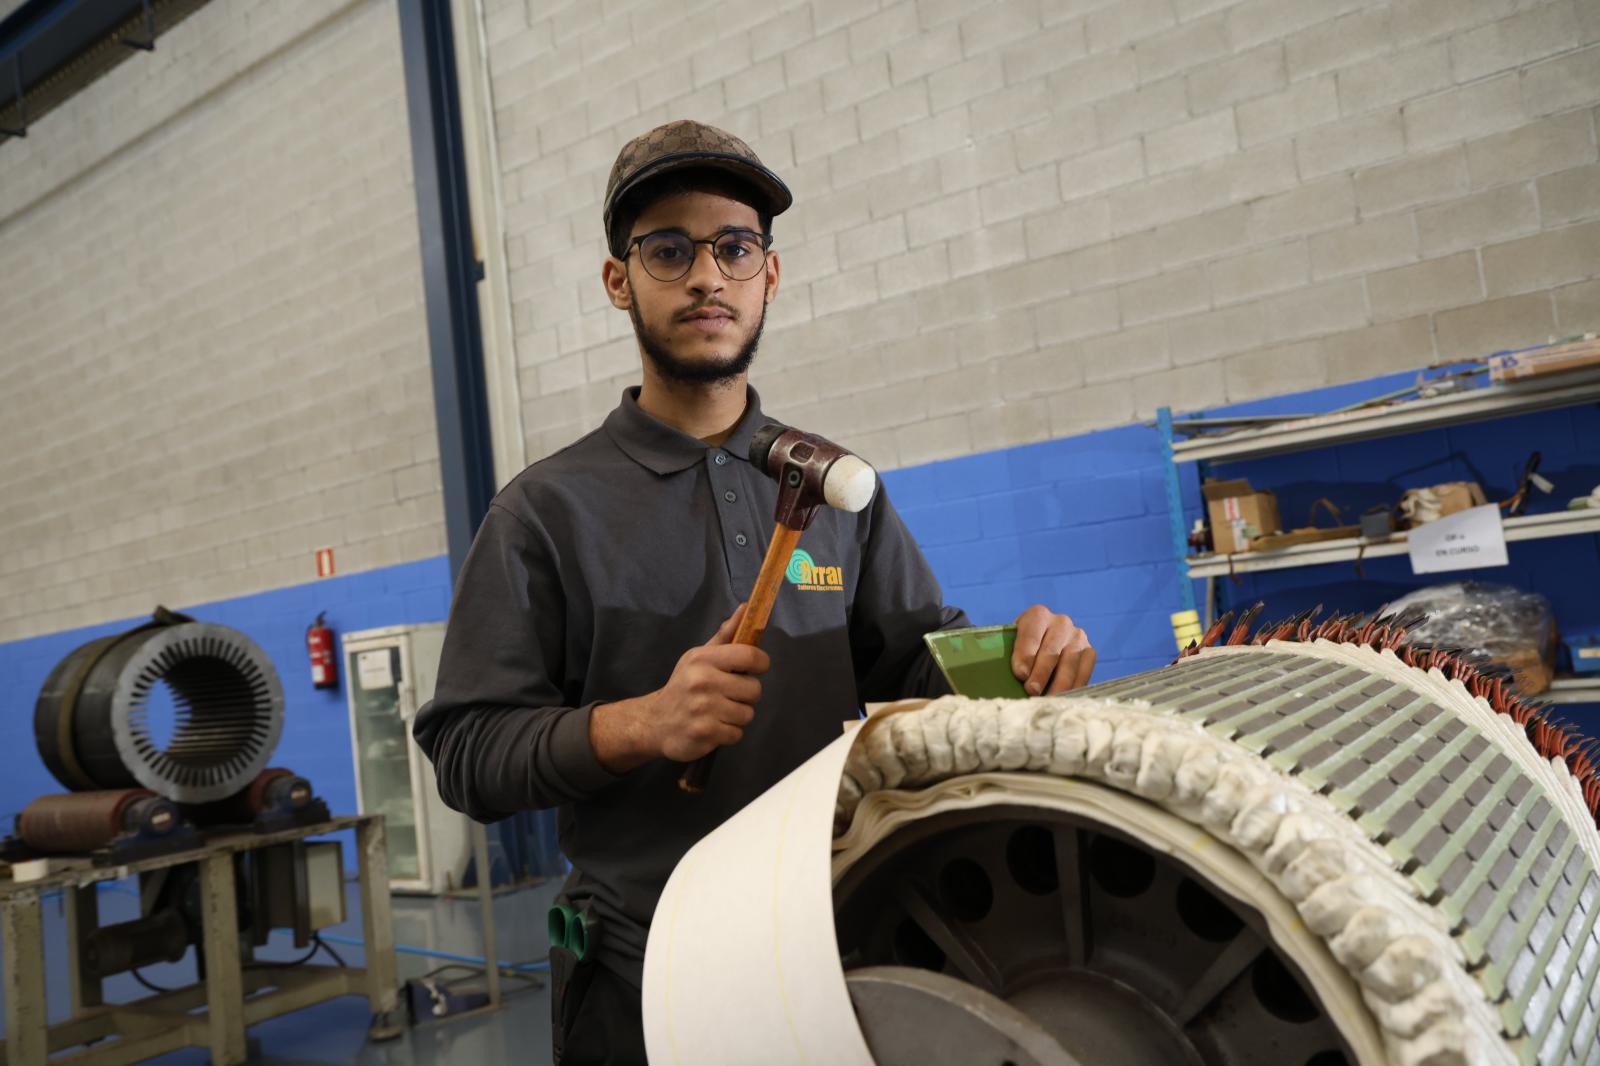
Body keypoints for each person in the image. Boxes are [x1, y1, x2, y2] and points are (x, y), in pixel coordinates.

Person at [413, 119, 1096, 1066]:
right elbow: (465, 752)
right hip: (643, 975)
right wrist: (641, 724)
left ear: (769, 274)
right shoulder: (545, 512)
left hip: (830, 937)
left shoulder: (835, 488)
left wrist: (1017, 657)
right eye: (668, 250)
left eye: (734, 247)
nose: (707, 276)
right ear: (620, 282)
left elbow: (916, 665)